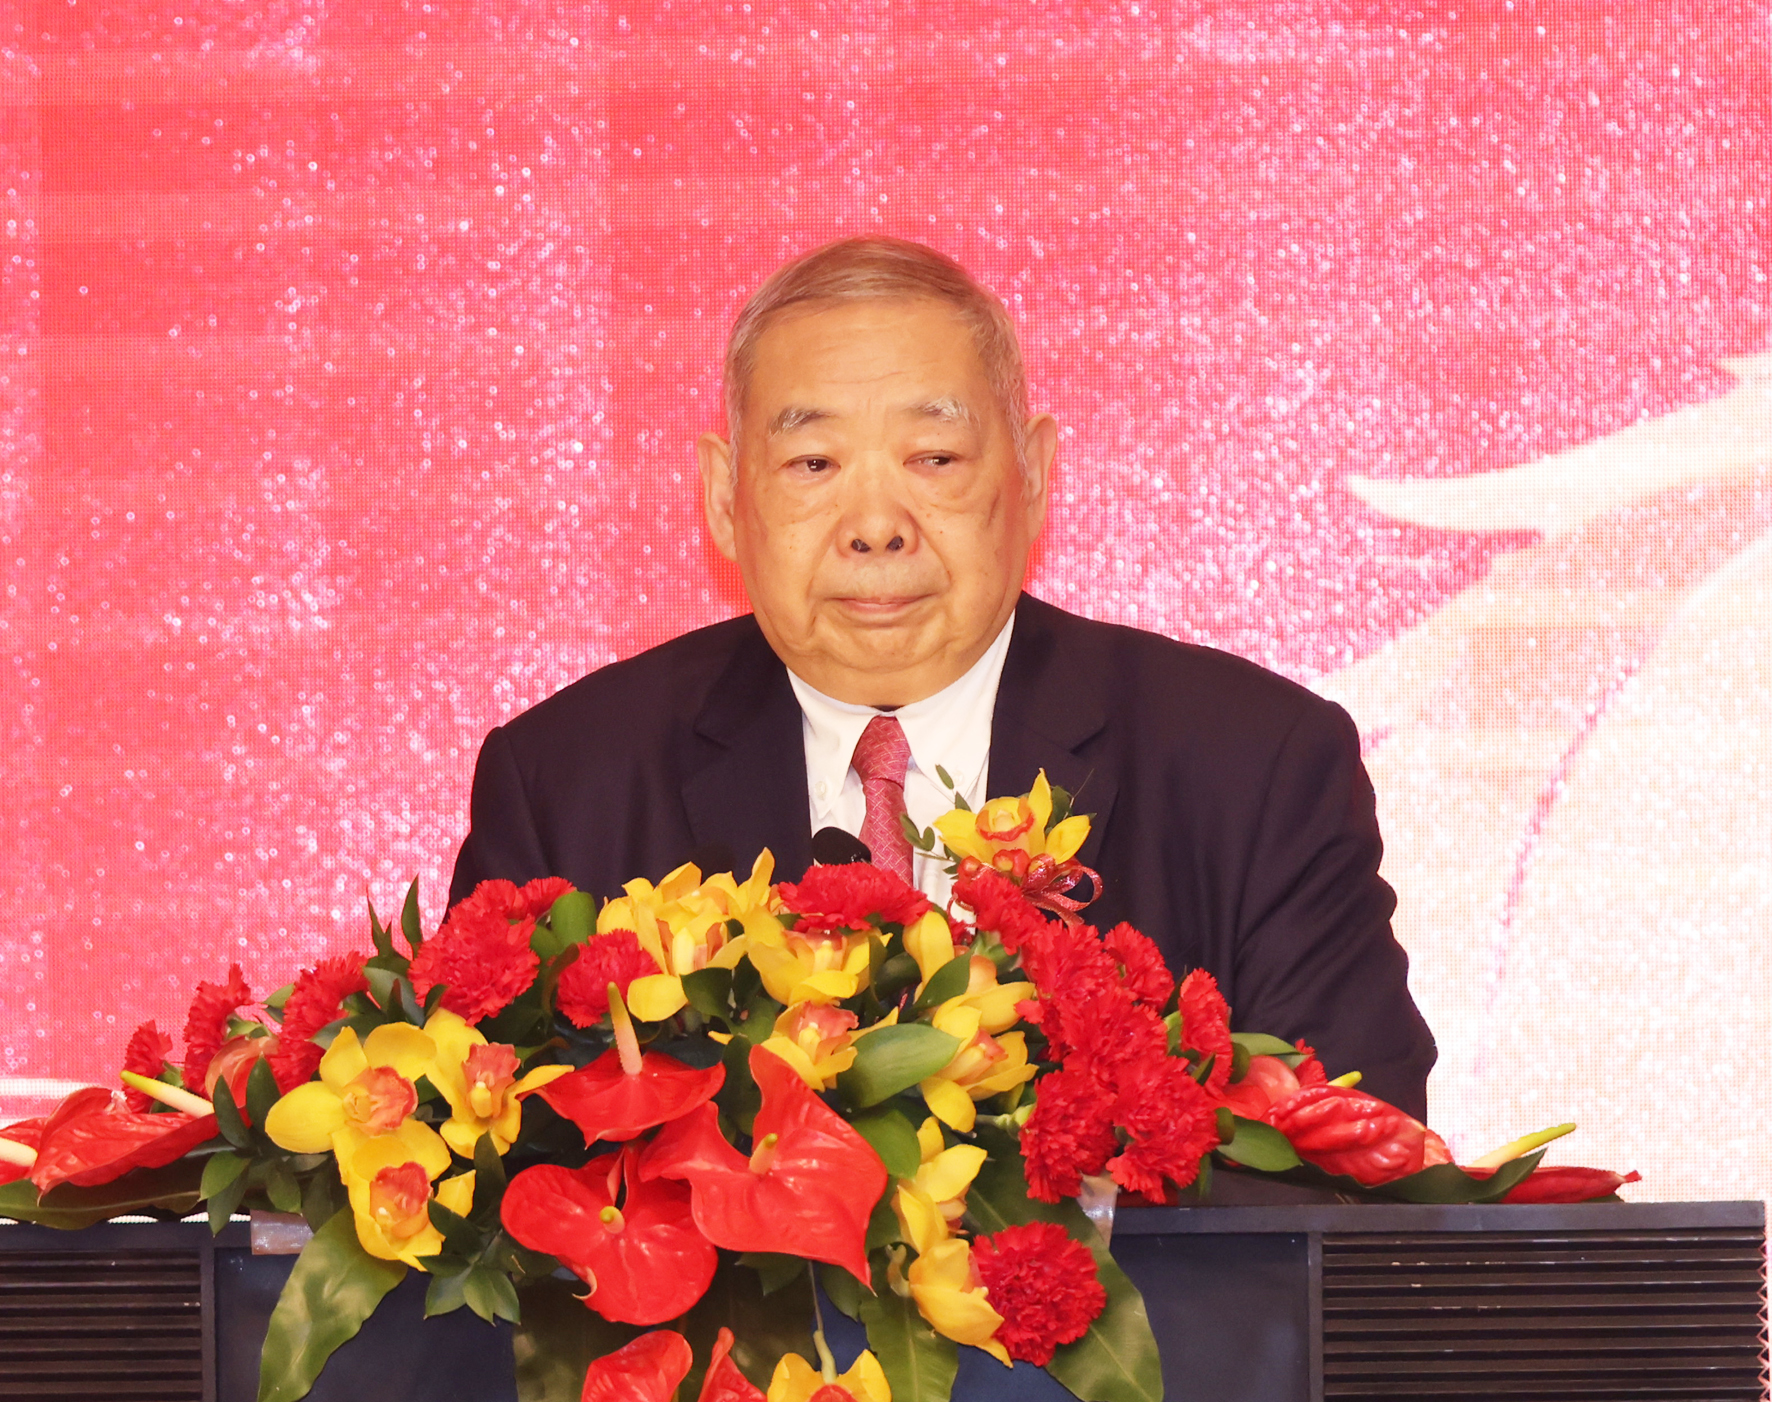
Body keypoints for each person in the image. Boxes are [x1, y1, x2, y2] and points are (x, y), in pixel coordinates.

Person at [450, 237, 1437, 1117]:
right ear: (721, 497)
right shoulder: (565, 787)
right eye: (812, 463)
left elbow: (1351, 1171)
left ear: (1033, 473)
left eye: (933, 457)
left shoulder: (1251, 768)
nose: (876, 524)